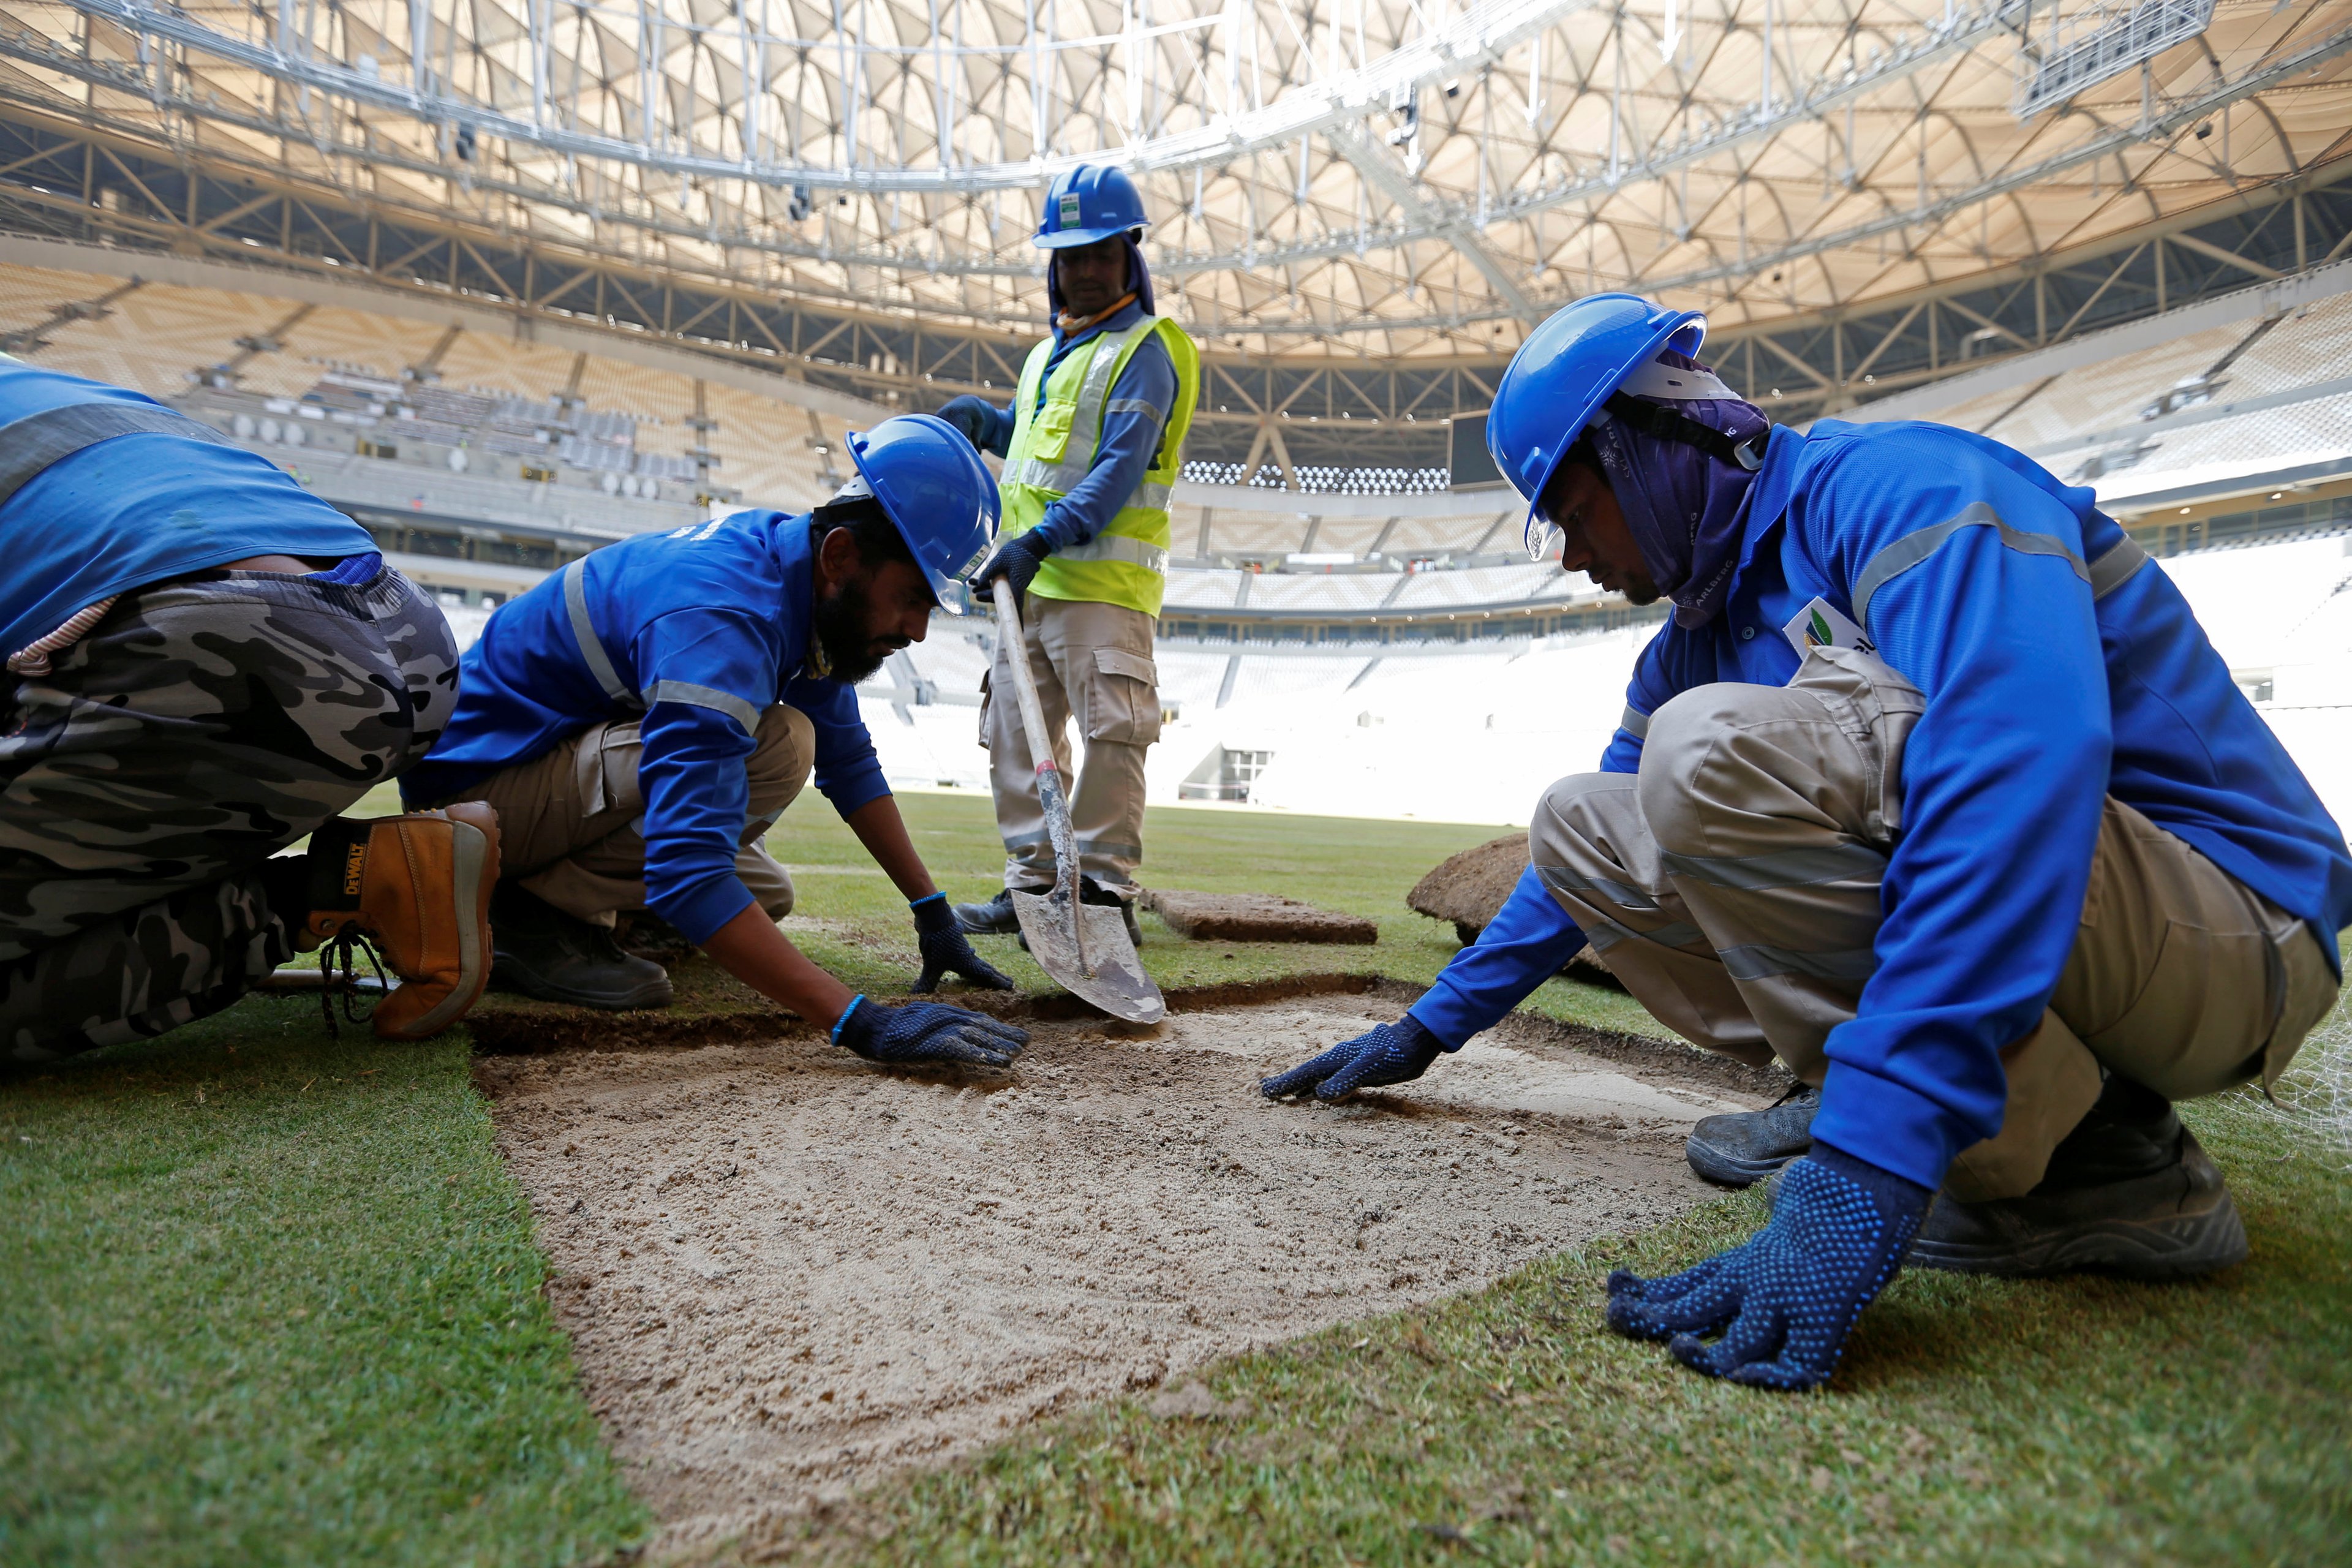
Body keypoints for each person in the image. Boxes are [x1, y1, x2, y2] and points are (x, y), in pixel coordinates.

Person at [1262, 293, 2349, 1390]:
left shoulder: (1900, 489)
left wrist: (1869, 1158)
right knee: (1582, 821)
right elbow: (1580, 874)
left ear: (1644, 449)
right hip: (2101, 931)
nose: (1570, 557)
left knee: (1706, 751)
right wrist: (1432, 1026)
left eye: (1572, 512)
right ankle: (1970, 1104)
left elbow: (2018, 771)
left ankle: (2089, 1160)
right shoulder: (1696, 639)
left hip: (2237, 934)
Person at [401, 413, 1027, 1071]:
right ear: (840, 555)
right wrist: (863, 1023)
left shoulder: (797, 578)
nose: (919, 631)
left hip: (532, 769)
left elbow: (849, 762)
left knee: (765, 893)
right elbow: (686, 870)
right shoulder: (723, 616)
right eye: (910, 598)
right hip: (469, 806)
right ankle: (521, 911)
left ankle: (565, 899)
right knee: (780, 746)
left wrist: (932, 912)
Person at [1, 355, 499, 1058]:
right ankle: (364, 871)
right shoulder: (38, 380)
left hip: (217, 650)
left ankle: (323, 893)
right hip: (403, 625)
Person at [935, 163, 1202, 945]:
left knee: (1113, 736)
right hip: (1028, 583)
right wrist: (984, 423)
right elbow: (1033, 437)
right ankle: (1032, 887)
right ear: (1053, 264)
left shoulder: (1148, 350)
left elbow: (1116, 475)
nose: (1083, 270)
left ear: (1130, 256)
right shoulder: (1046, 354)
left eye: (1098, 254)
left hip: (1101, 590)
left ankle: (1103, 893)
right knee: (1016, 733)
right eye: (1069, 256)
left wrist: (1038, 541)